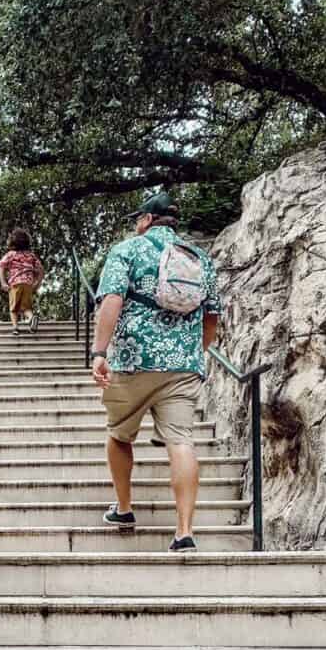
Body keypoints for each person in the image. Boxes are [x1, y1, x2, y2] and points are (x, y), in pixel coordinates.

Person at [90, 191, 221, 552]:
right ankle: (184, 532)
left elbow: (112, 300)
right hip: (182, 366)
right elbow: (211, 317)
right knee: (180, 440)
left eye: (138, 218)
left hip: (134, 360)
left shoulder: (128, 250)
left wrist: (100, 352)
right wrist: (195, 352)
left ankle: (125, 509)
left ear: (147, 220)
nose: (136, 224)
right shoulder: (200, 259)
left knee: (119, 434)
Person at [0, 228, 44, 332]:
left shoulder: (10, 254)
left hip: (15, 283)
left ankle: (15, 327)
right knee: (26, 307)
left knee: (13, 308)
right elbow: (41, 269)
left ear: (12, 242)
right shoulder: (31, 255)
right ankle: (31, 318)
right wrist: (37, 283)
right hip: (28, 283)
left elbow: (1, 267)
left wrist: (3, 282)